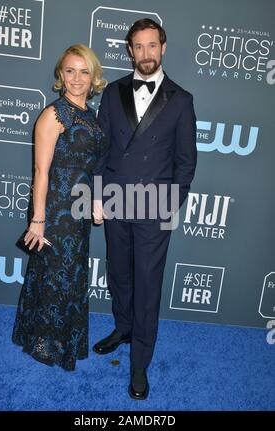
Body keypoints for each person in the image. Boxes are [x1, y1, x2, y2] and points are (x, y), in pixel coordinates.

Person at [92, 19, 197, 399]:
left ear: (163, 48)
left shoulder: (181, 100)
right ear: (130, 50)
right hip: (116, 201)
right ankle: (122, 328)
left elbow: (185, 163)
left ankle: (139, 364)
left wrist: (168, 206)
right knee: (119, 273)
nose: (146, 54)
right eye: (139, 47)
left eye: (152, 46)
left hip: (154, 207)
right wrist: (98, 197)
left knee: (148, 286)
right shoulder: (113, 92)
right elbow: (100, 152)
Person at [12, 44, 108, 371]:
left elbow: (93, 166)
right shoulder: (54, 114)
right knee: (58, 274)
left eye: (84, 71)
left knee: (70, 274)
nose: (77, 78)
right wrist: (37, 221)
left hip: (79, 210)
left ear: (93, 76)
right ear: (60, 75)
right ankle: (46, 343)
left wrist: (95, 201)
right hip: (55, 209)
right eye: (70, 70)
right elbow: (40, 171)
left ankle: (59, 338)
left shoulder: (90, 116)